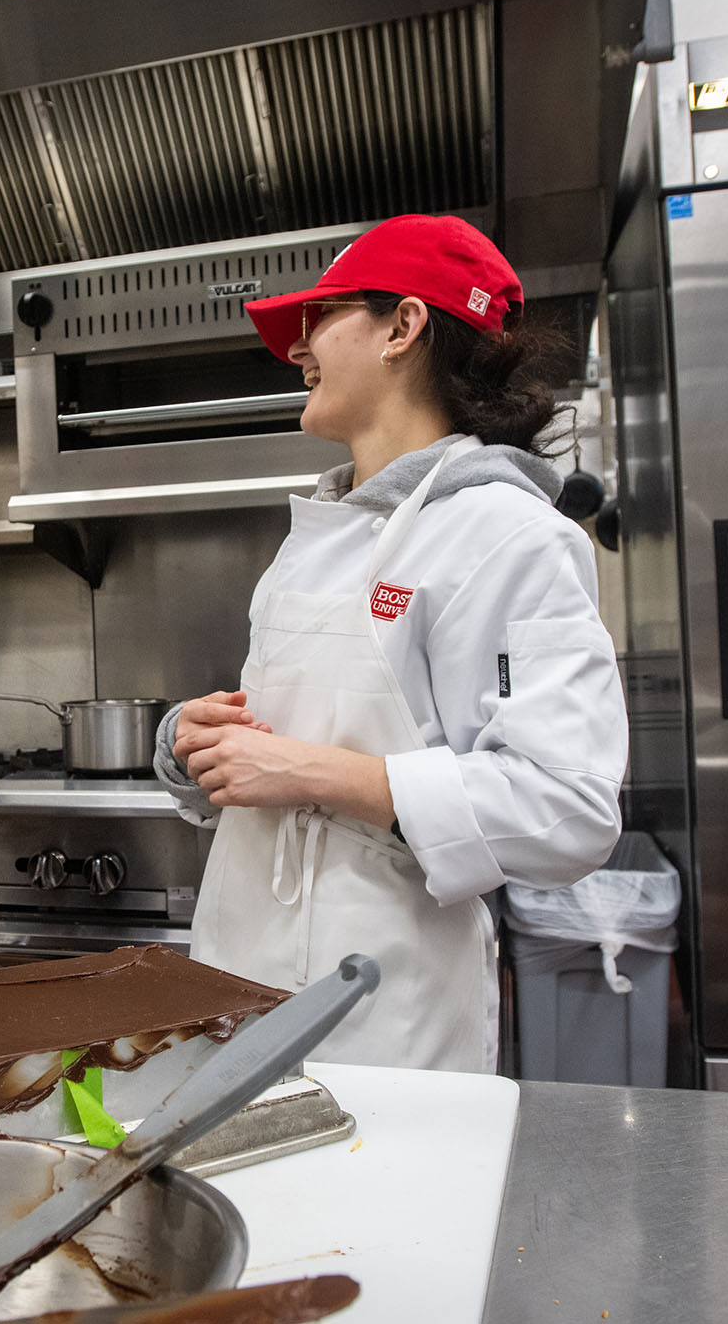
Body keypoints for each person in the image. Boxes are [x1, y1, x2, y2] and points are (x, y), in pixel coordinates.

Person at [157, 215, 626, 1072]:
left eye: (321, 317)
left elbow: (569, 807)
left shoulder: (510, 534)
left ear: (403, 327)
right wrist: (199, 742)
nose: (297, 348)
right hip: (237, 973)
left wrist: (313, 773)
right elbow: (283, 741)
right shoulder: (321, 531)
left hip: (382, 1007)